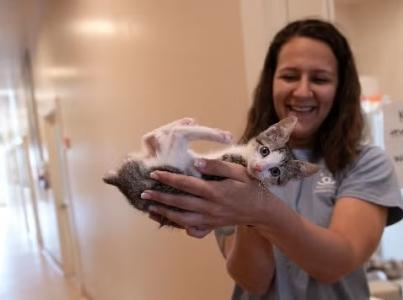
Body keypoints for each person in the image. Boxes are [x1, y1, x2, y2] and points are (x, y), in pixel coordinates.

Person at [140, 19, 403, 299]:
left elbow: (335, 263)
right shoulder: (235, 165)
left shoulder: (366, 163)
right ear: (270, 83)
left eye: (320, 79)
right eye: (290, 76)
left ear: (340, 90)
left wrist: (260, 208)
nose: (302, 91)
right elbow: (253, 280)